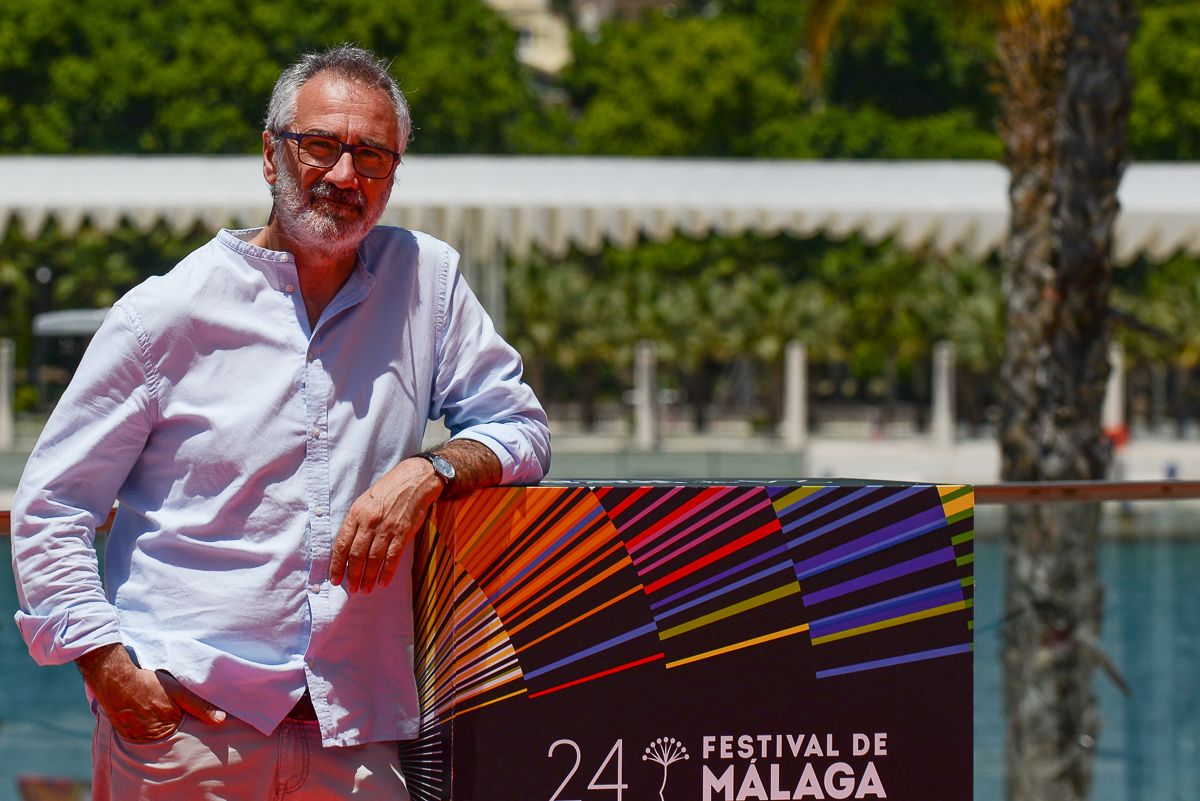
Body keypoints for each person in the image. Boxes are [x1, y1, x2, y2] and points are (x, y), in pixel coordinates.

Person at [9, 44, 550, 800]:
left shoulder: (427, 283)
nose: (342, 176)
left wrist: (428, 471)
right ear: (271, 156)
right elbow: (52, 506)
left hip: (355, 735)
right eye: (320, 147)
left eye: (371, 156)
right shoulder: (167, 312)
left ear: (394, 174)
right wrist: (107, 669)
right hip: (185, 734)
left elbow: (520, 428)